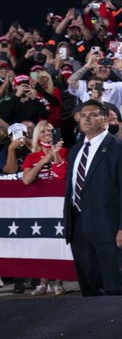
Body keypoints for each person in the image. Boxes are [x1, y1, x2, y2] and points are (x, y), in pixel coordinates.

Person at [61, 99, 122, 296]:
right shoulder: (75, 151)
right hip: (78, 226)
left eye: (93, 114)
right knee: (88, 284)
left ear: (106, 120)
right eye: (83, 115)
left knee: (112, 282)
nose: (86, 119)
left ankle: (119, 324)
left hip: (109, 226)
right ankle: (92, 324)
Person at [23, 121, 68, 296]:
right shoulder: (31, 157)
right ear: (37, 136)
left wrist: (55, 155)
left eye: (50, 131)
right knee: (42, 242)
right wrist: (43, 160)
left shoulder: (64, 152)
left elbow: (62, 177)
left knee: (59, 242)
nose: (47, 134)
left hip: (59, 202)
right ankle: (42, 282)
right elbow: (27, 179)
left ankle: (58, 281)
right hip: (39, 205)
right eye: (43, 132)